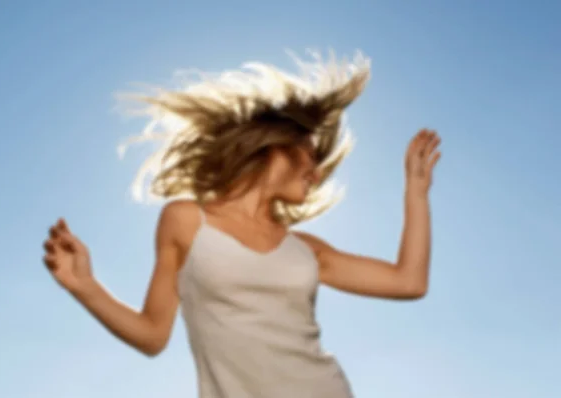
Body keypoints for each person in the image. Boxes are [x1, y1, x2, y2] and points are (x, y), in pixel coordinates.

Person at [42, 50, 441, 398]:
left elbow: (409, 282)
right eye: (310, 156)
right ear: (276, 148)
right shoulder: (185, 222)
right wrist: (85, 287)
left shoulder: (306, 249)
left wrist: (416, 193)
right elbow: (152, 335)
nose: (316, 175)